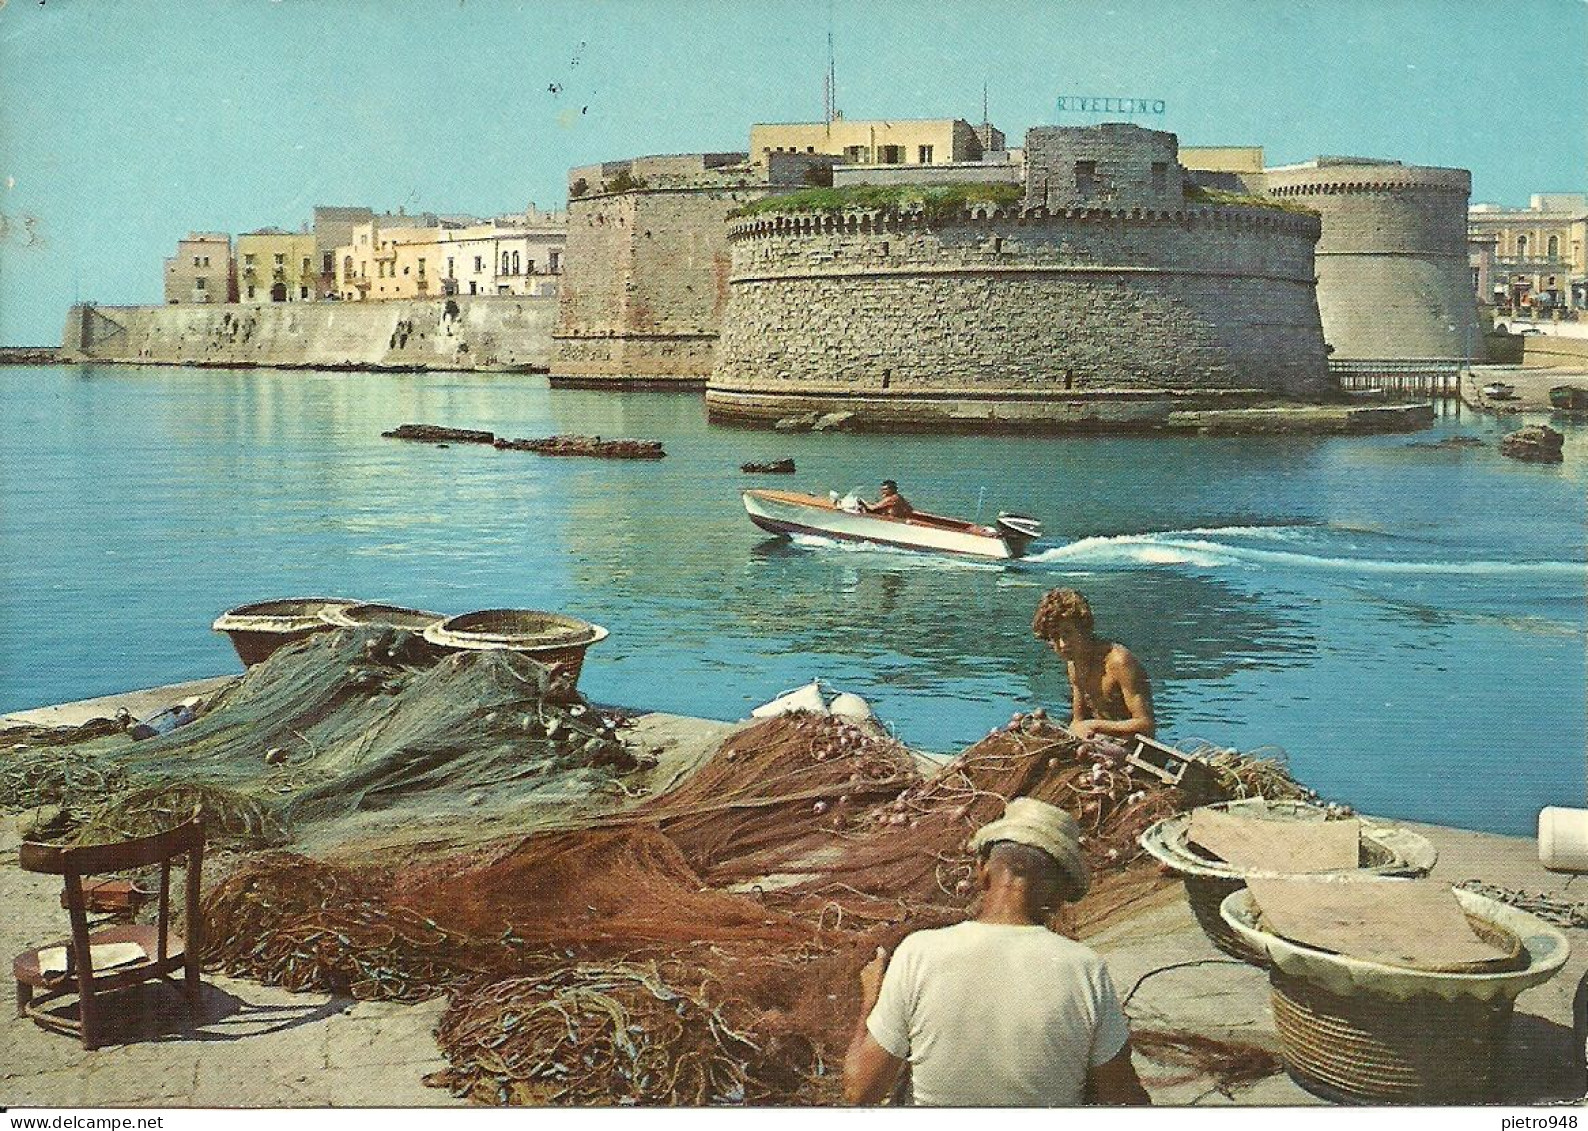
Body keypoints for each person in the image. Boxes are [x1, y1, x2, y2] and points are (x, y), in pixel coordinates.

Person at [842, 797, 1150, 1106]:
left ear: (982, 871)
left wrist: (871, 999)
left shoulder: (918, 952)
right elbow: (1122, 1097)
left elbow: (859, 1092)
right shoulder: (1086, 970)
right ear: (1059, 894)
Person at [1032, 588, 1155, 740]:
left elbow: (1146, 725)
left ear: (1083, 629)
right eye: (1055, 637)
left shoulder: (1118, 662)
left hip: (1132, 748)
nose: (1063, 644)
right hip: (1098, 741)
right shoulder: (1074, 664)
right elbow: (1078, 721)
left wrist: (1094, 725)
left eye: (1067, 633)